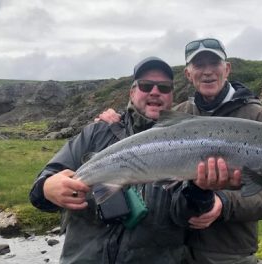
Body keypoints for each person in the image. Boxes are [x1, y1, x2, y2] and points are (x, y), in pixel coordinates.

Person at [96, 38, 262, 264]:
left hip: (226, 252)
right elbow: (143, 143)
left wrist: (223, 204)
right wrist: (116, 120)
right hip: (171, 250)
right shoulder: (178, 114)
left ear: (226, 69)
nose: (207, 72)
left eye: (214, 64)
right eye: (199, 65)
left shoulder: (255, 117)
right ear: (188, 74)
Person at [29, 56, 226, 264]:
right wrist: (47, 187)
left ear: (171, 97)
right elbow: (39, 192)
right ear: (132, 92)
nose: (155, 91)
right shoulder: (96, 133)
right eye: (146, 85)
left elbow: (185, 216)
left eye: (164, 87)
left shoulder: (187, 144)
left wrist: (201, 191)